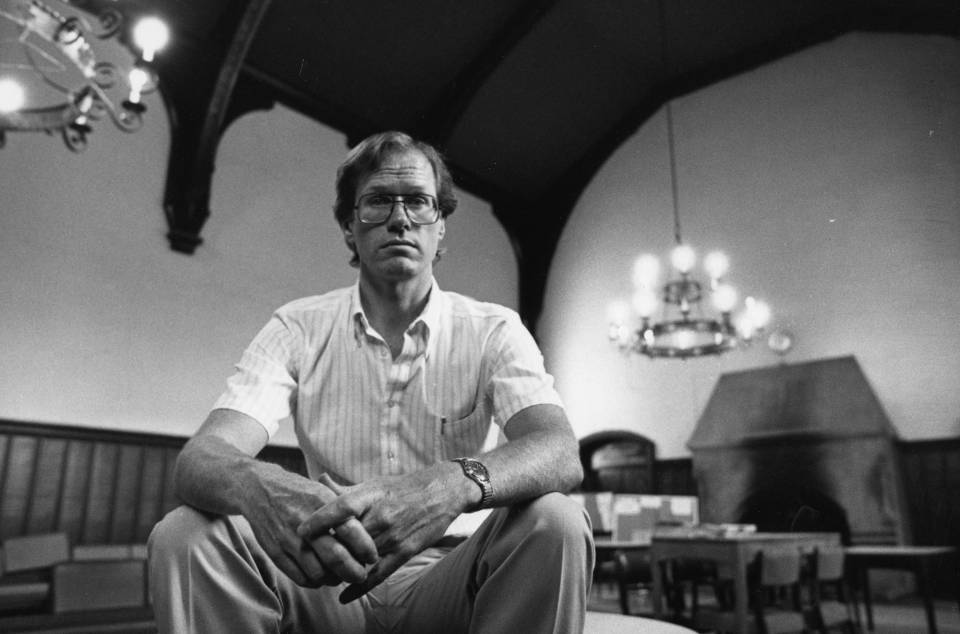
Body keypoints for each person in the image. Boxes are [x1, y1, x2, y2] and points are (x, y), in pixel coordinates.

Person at [148, 131, 594, 633]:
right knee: (184, 534)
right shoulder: (297, 327)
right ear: (348, 226)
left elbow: (559, 450)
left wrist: (450, 484)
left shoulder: (494, 329)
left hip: (452, 573)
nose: (400, 218)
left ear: (440, 226)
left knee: (556, 520)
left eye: (419, 203)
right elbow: (200, 459)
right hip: (325, 579)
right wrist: (263, 485)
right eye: (379, 201)